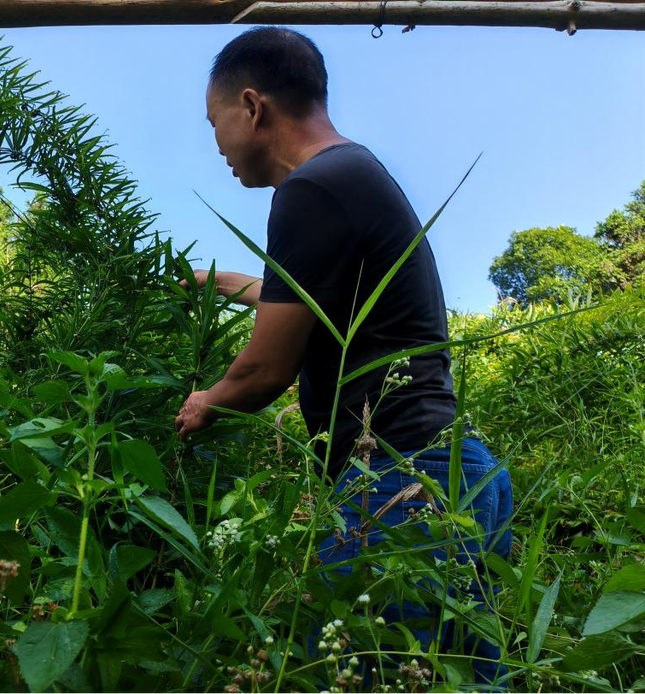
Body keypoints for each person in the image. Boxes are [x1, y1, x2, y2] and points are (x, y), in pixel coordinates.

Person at [172, 27, 512, 689]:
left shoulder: (309, 190)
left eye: (214, 123)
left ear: (252, 106)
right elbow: (305, 297)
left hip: (401, 480)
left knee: (357, 673)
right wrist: (215, 282)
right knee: (463, 679)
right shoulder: (349, 175)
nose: (216, 144)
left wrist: (205, 401)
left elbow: (264, 371)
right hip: (458, 473)